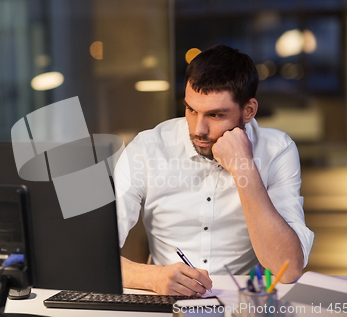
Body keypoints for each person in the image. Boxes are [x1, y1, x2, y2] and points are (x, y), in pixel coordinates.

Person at [114, 43, 314, 296]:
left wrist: (244, 168)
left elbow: (288, 268)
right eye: (191, 109)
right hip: (165, 302)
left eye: (216, 115)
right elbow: (90, 251)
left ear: (249, 110)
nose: (198, 129)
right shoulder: (148, 149)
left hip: (246, 303)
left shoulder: (277, 150)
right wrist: (151, 277)